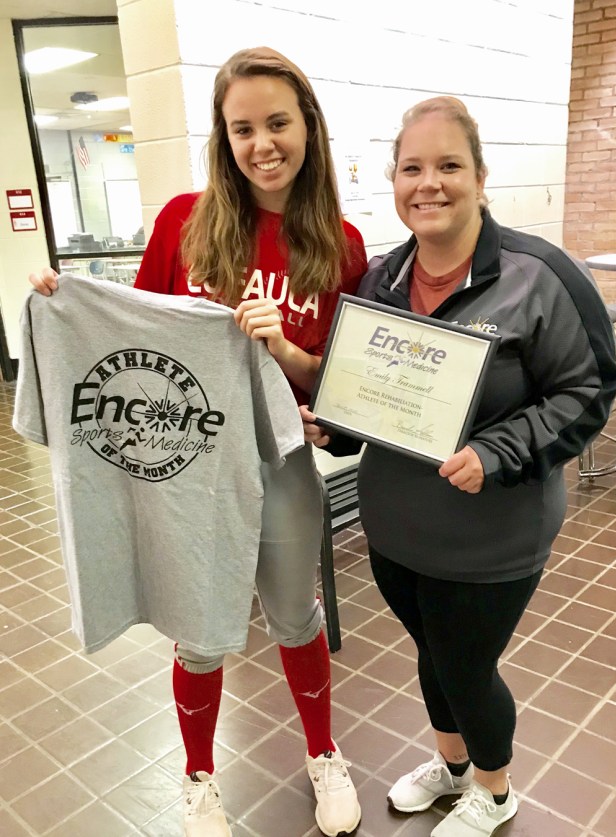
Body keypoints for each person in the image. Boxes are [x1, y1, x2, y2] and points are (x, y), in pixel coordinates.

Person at [29, 47, 367, 837]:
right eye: (243, 128)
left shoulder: (341, 243)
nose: (263, 144)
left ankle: (323, 751)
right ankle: (198, 775)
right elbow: (132, 338)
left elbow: (339, 380)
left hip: (283, 461)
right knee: (199, 622)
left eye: (278, 123)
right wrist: (64, 301)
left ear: (308, 127)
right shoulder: (185, 220)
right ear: (224, 136)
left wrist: (289, 359)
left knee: (295, 612)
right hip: (190, 465)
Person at [301, 96, 616, 837]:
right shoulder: (382, 278)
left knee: (467, 666)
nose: (429, 183)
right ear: (394, 180)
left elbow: (589, 389)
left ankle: (495, 791)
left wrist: (496, 451)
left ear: (480, 176)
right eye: (412, 168)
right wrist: (335, 423)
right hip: (396, 530)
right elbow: (368, 392)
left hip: (490, 537)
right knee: (433, 654)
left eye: (449, 165)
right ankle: (451, 769)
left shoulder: (539, 276)